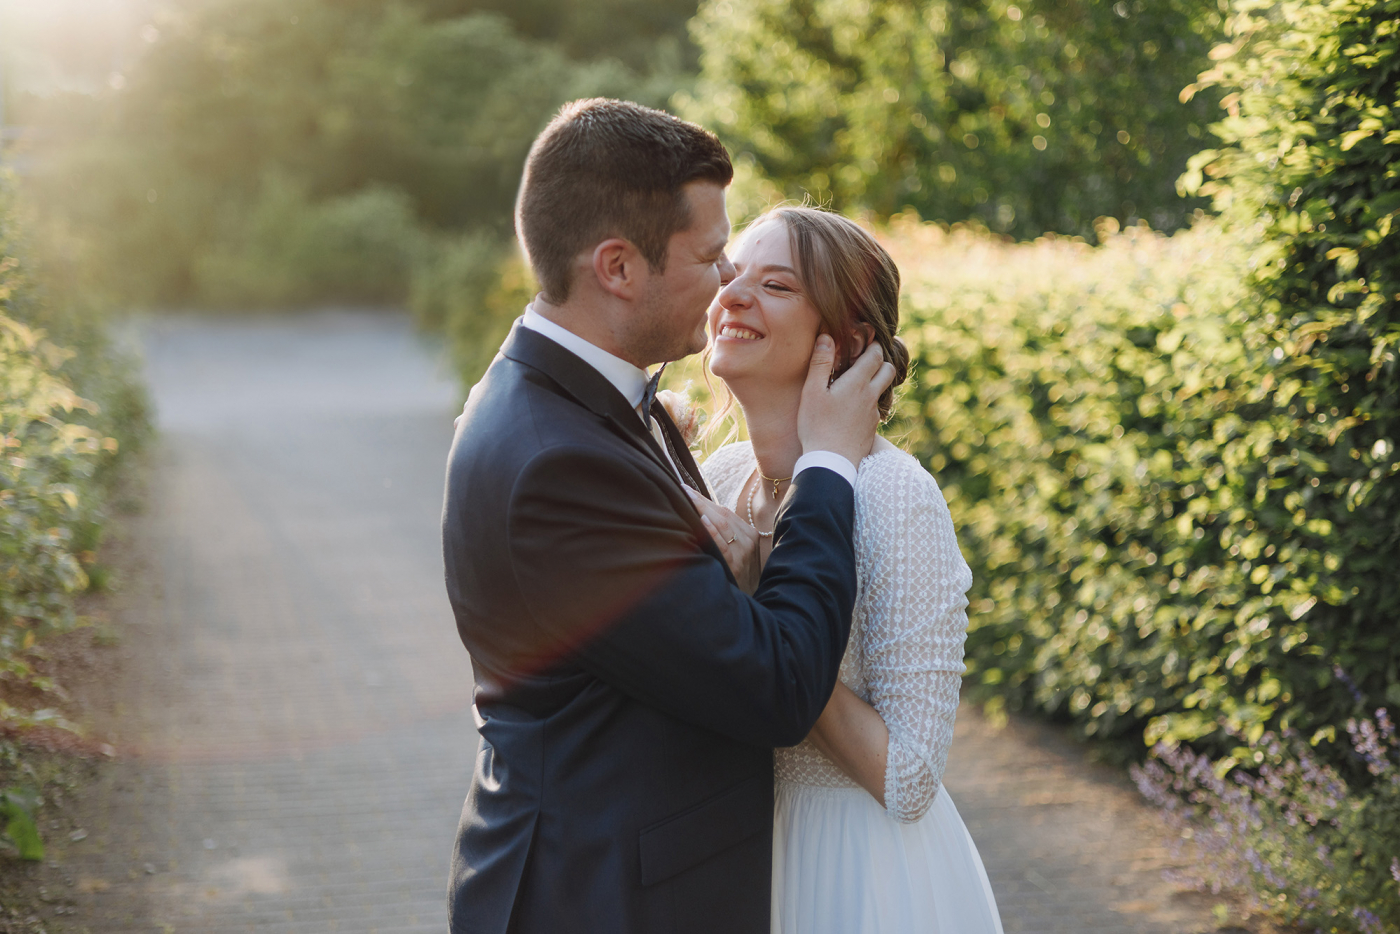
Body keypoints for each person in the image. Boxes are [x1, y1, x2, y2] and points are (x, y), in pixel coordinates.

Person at [441, 99, 895, 934]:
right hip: (604, 899)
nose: (730, 282)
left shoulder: (565, 402)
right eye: (714, 255)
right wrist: (828, 463)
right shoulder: (560, 462)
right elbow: (779, 686)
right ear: (618, 267)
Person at [692, 206, 1005, 933]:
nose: (731, 296)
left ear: (850, 343)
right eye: (733, 274)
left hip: (859, 876)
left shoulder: (895, 496)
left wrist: (761, 623)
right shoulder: (719, 472)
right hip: (734, 854)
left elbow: (909, 779)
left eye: (775, 285)